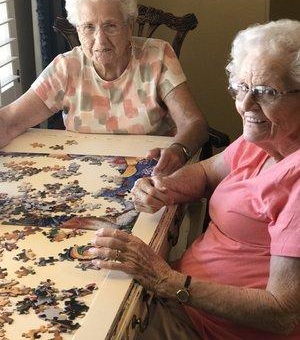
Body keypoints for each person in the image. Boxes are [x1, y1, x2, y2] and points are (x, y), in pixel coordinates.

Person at [89, 19, 300, 339]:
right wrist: (165, 186)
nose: (245, 105)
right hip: (183, 299)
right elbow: (205, 173)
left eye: (266, 92)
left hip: (208, 328)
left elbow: (281, 313)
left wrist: (166, 281)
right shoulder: (262, 140)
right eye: (242, 88)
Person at [0, 0, 208, 175]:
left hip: (151, 172)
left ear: (129, 27)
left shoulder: (158, 56)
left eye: (110, 26)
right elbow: (11, 119)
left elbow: (193, 123)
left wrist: (177, 151)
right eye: (88, 27)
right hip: (82, 176)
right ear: (77, 30)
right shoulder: (65, 68)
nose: (100, 41)